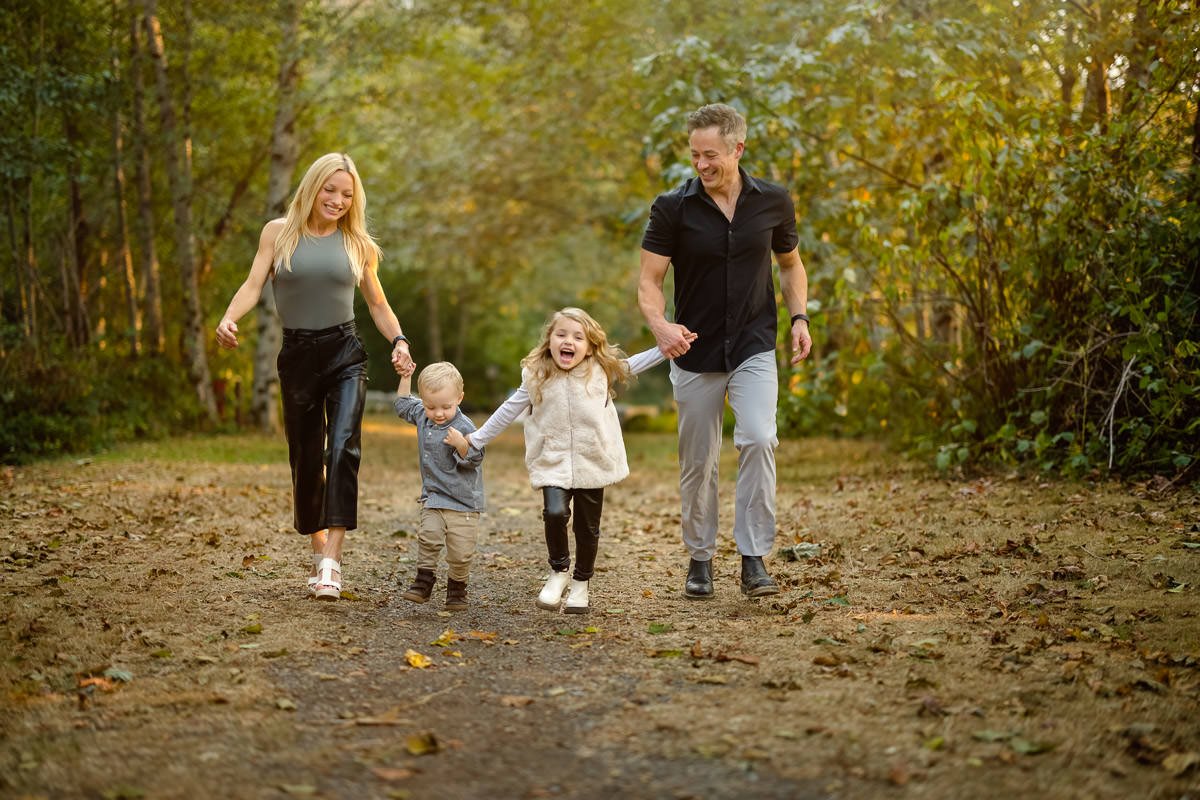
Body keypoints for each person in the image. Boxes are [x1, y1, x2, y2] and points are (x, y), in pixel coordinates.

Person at [215, 152, 414, 602]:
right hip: (298, 355)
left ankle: (331, 565)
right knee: (306, 457)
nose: (338, 200)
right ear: (313, 186)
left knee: (342, 447)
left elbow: (378, 304)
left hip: (345, 352)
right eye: (331, 190)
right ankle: (318, 547)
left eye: (348, 194)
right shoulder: (277, 233)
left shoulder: (357, 243)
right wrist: (229, 318)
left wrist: (399, 340)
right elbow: (253, 284)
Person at [638, 103, 812, 601]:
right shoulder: (672, 207)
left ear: (738, 148)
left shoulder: (773, 201)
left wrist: (799, 317)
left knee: (758, 438)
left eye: (710, 154)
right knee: (699, 460)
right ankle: (700, 558)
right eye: (694, 155)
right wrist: (659, 325)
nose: (701, 164)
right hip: (692, 349)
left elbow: (791, 265)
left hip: (755, 342)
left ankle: (754, 558)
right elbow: (650, 281)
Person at [467, 308, 686, 614]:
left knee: (587, 528)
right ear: (549, 341)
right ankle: (559, 571)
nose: (568, 341)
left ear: (589, 346)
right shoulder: (535, 375)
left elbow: (634, 364)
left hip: (591, 461)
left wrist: (668, 347)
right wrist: (475, 439)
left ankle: (581, 582)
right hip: (552, 461)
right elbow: (507, 410)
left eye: (577, 337)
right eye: (561, 334)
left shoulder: (600, 370)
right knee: (555, 513)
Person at [393, 362, 485, 611]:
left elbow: (476, 458)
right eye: (430, 406)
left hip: (464, 502)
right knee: (428, 537)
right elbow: (402, 405)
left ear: (459, 398)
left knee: (460, 552)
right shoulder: (423, 415)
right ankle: (423, 582)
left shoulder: (464, 426)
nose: (439, 413)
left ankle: (457, 589)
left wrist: (461, 444)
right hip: (434, 497)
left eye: (446, 406)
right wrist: (406, 376)